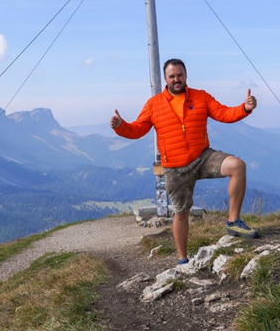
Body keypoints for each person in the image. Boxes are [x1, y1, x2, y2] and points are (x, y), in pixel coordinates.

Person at [110, 58, 258, 264]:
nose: (176, 79)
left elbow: (223, 113)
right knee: (181, 213)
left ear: (186, 76)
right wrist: (120, 126)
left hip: (203, 156)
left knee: (237, 166)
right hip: (175, 167)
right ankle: (182, 259)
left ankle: (233, 222)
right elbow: (137, 129)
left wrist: (245, 108)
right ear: (165, 79)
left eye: (180, 75)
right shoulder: (154, 104)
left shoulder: (200, 97)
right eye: (172, 76)